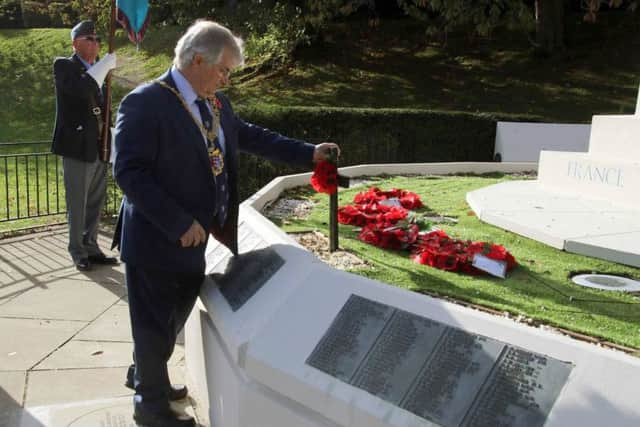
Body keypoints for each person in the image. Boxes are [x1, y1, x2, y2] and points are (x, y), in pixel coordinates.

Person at [112, 20, 340, 427]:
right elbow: (129, 172)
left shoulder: (214, 103)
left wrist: (309, 153)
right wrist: (178, 221)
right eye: (224, 71)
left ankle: (146, 374)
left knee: (171, 317)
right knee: (152, 322)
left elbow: (250, 136)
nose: (227, 79)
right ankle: (150, 406)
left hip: (198, 238)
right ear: (198, 60)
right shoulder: (145, 102)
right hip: (158, 237)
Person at [51, 20, 119, 271]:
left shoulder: (98, 71)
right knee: (78, 203)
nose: (95, 43)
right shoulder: (64, 65)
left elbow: (103, 109)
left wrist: (110, 139)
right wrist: (102, 68)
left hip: (98, 145)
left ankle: (91, 246)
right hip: (77, 147)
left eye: (97, 39)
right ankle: (77, 250)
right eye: (88, 39)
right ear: (74, 43)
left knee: (94, 202)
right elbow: (80, 90)